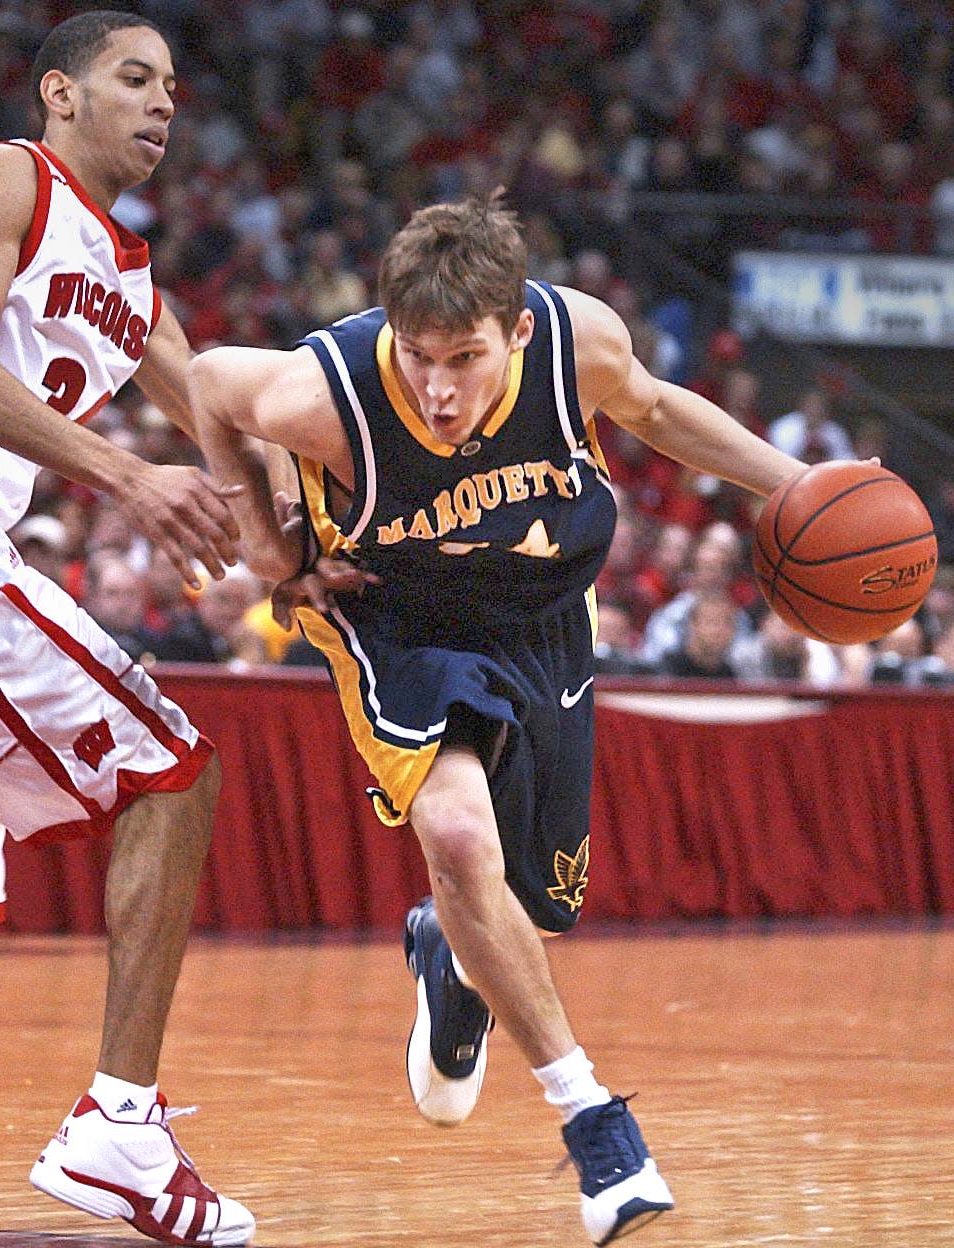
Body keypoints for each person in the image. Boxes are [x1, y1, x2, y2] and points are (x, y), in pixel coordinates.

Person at [187, 195, 807, 1245]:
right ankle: (595, 1127)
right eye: (416, 356)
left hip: (544, 620)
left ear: (517, 330)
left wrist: (798, 482)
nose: (435, 389)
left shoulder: (578, 344)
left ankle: (453, 954)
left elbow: (655, 411)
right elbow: (207, 381)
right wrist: (265, 537)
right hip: (401, 621)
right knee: (461, 836)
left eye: (462, 358)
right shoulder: (328, 398)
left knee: (537, 910)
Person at [0, 12, 256, 1246]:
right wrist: (129, 480)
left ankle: (116, 1129)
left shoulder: (130, 282)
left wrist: (321, 532)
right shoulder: (1, 177)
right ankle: (116, 1131)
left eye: (172, 85)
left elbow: (225, 429)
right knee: (170, 772)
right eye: (134, 77)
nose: (161, 102)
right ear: (59, 93)